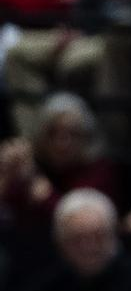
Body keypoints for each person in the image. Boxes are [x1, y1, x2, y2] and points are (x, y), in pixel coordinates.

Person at [0, 92, 116, 232]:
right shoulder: (31, 164)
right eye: (53, 133)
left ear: (86, 136)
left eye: (72, 134)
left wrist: (43, 192)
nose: (62, 143)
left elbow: (81, 225)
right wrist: (6, 174)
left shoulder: (98, 170)